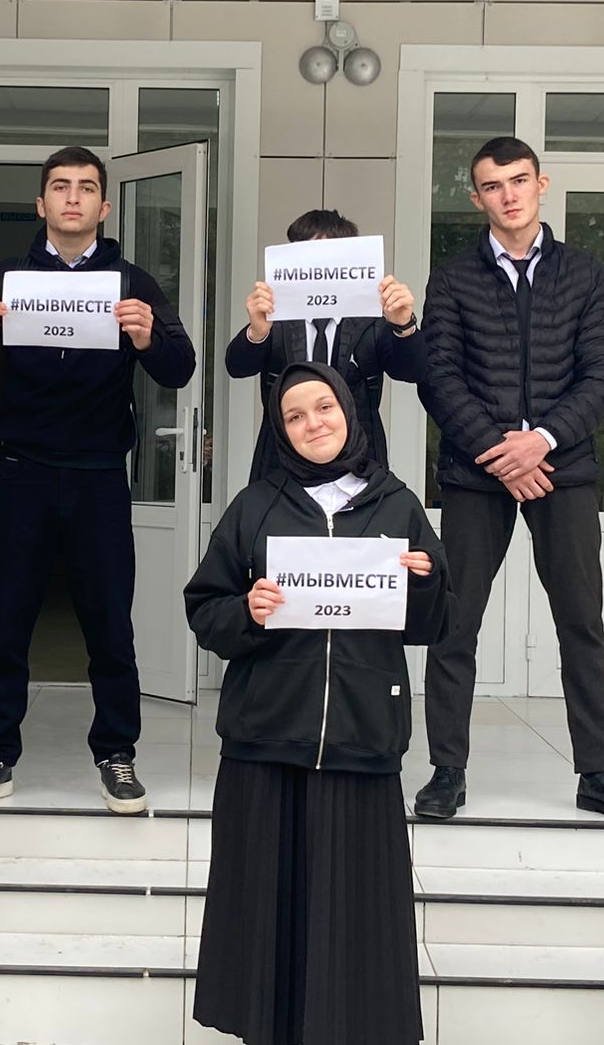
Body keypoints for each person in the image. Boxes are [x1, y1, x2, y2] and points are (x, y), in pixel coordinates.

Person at [183, 361, 450, 1045]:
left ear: (349, 411)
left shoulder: (397, 504)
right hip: (266, 742)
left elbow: (433, 623)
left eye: (324, 407)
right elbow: (205, 610)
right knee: (264, 918)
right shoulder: (254, 506)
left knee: (354, 921)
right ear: (280, 430)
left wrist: (422, 585)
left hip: (361, 740)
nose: (313, 424)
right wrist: (245, 610)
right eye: (295, 415)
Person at [0, 145, 196, 814]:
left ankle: (117, 753)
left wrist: (150, 338)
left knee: (110, 623)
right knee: (6, 620)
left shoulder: (132, 281)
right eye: (61, 186)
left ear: (105, 206)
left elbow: (180, 368)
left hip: (98, 477)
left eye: (86, 187)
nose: (73, 197)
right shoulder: (6, 277)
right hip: (21, 472)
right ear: (41, 203)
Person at [414, 136, 604, 825]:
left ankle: (599, 774)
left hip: (563, 468)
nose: (509, 195)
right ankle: (447, 770)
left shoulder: (584, 274)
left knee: (581, 620)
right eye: (493, 186)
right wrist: (500, 451)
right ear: (477, 198)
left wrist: (541, 441)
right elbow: (438, 377)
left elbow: (603, 375)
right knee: (455, 620)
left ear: (541, 184)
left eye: (519, 180)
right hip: (476, 472)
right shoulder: (452, 279)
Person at [225, 208, 424, 481]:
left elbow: (412, 371)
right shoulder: (276, 318)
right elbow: (237, 367)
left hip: (358, 463)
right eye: (305, 258)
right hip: (283, 463)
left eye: (327, 259)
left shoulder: (371, 319)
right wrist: (256, 332)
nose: (317, 270)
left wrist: (403, 324)